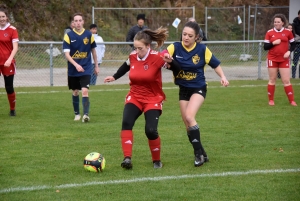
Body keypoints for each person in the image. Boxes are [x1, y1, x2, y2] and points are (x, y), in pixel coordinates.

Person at [104, 27, 174, 169]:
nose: (137, 51)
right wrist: (114, 77)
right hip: (135, 96)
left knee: (150, 131)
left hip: (153, 98)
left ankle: (156, 161)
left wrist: (171, 62)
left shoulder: (157, 57)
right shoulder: (133, 56)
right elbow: (126, 66)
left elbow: (175, 67)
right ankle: (127, 158)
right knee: (126, 122)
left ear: (148, 46)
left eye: (140, 48)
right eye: (135, 48)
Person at [163, 21, 229, 167]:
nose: (186, 37)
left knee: (189, 116)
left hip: (198, 88)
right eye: (184, 34)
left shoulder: (202, 49)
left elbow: (215, 64)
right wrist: (166, 62)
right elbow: (163, 56)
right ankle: (202, 152)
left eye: (190, 35)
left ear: (196, 37)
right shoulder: (175, 46)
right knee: (187, 125)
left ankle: (198, 155)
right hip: (183, 90)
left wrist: (223, 77)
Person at [63, 13, 99, 122]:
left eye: (80, 20)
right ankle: (77, 114)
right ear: (73, 23)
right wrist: (76, 65)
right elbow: (67, 54)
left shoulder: (88, 35)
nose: (78, 23)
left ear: (83, 22)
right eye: (76, 21)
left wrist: (96, 66)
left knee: (84, 91)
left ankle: (86, 115)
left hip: (86, 68)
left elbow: (93, 51)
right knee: (75, 92)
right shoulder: (68, 35)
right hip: (73, 69)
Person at [263, 14, 297, 106]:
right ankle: (271, 100)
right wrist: (273, 43)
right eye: (275, 22)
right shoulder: (269, 32)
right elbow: (265, 47)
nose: (276, 23)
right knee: (272, 79)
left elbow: (293, 44)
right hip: (272, 59)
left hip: (284, 60)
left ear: (283, 22)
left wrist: (289, 52)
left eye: (278, 22)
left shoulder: (288, 32)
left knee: (286, 80)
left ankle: (292, 101)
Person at [0, 4, 19, 116]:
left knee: (9, 87)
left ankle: (12, 109)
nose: (1, 19)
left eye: (3, 16)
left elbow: (15, 47)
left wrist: (9, 59)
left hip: (8, 63)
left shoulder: (12, 30)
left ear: (7, 17)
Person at [292, 10, 300, 78]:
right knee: (295, 62)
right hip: (297, 44)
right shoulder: (294, 24)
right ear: (298, 15)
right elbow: (293, 33)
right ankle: (293, 76)